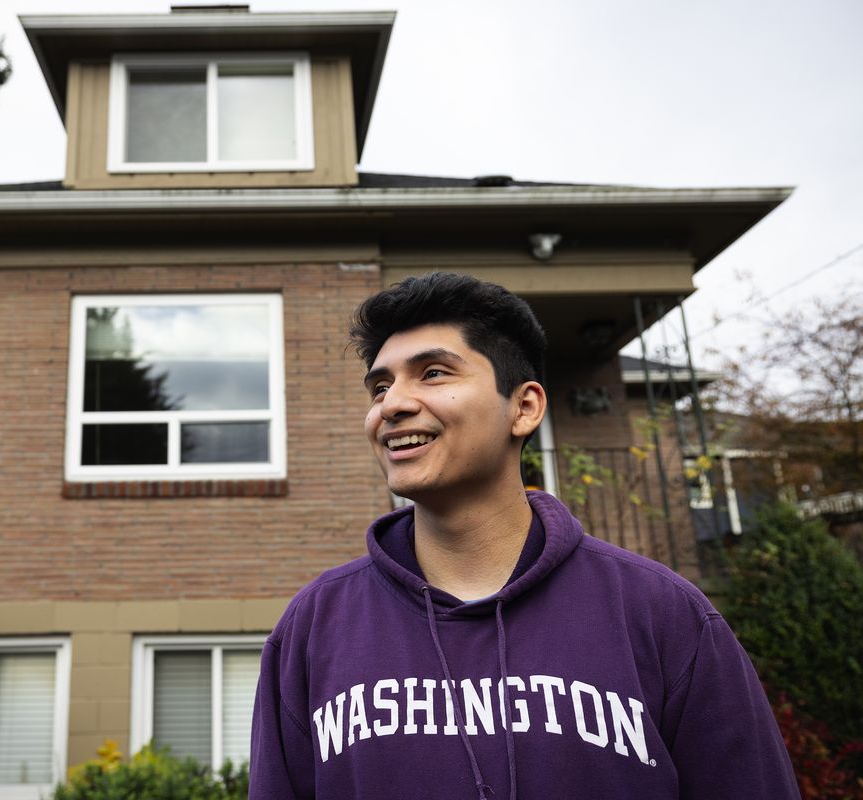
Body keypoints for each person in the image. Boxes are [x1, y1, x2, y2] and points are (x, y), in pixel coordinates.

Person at [249, 273, 799, 799]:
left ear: (525, 407)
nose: (391, 405)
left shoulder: (663, 615)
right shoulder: (315, 625)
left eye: (434, 373)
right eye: (380, 387)